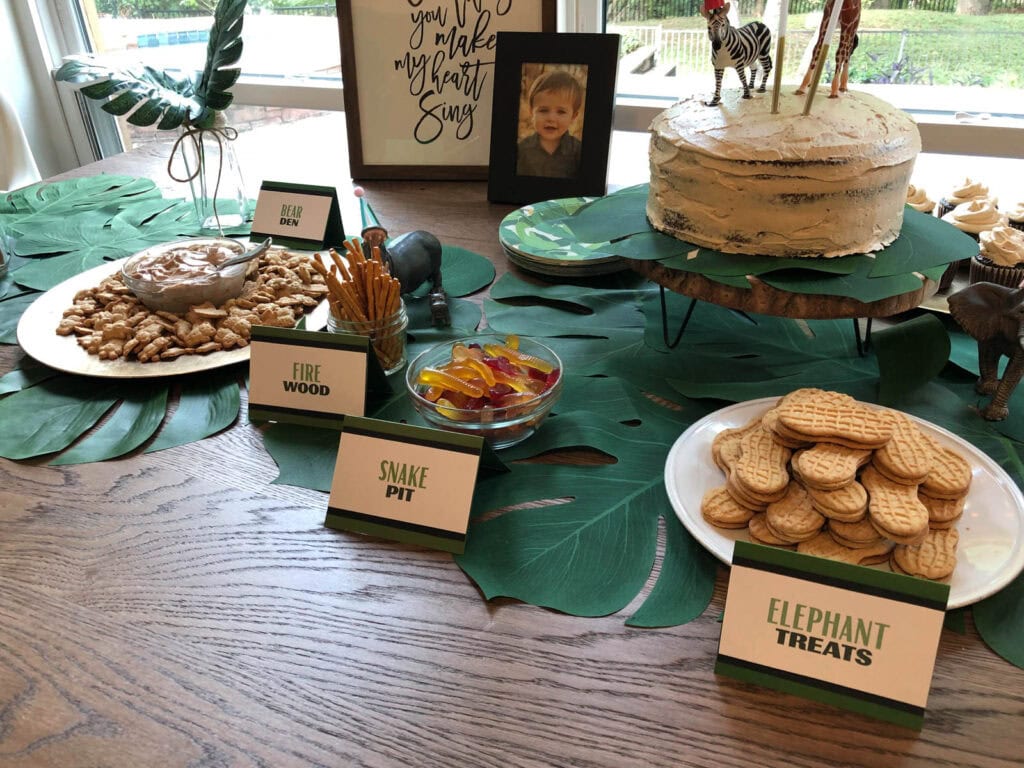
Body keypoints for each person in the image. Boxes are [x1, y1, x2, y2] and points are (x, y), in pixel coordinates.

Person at [516, 69, 584, 179]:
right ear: (531, 112)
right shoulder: (522, 150)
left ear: (573, 117)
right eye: (543, 110)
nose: (551, 118)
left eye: (561, 112)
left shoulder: (578, 152)